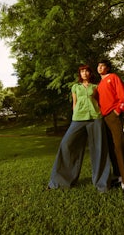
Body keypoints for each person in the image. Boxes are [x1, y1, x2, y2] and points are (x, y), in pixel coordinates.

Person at [47, 64, 111, 193]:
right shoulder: (75, 87)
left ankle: (102, 184)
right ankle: (60, 181)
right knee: (66, 144)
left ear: (90, 73)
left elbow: (99, 102)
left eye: (87, 71)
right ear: (80, 74)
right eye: (82, 71)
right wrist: (74, 117)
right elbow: (74, 103)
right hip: (78, 119)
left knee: (99, 149)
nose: (85, 73)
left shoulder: (96, 87)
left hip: (95, 118)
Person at [97, 59, 124, 204]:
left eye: (102, 65)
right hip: (102, 118)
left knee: (119, 145)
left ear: (107, 67)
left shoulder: (113, 77)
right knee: (111, 148)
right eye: (98, 66)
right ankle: (118, 176)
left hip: (113, 115)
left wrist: (118, 110)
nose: (100, 68)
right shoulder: (98, 85)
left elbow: (123, 95)